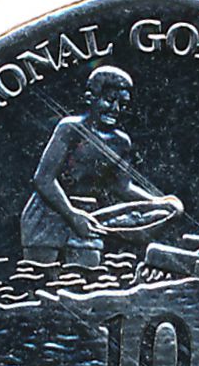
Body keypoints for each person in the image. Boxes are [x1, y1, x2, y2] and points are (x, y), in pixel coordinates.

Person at [21, 65, 180, 266]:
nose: (116, 109)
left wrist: (158, 204)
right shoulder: (70, 128)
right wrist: (71, 214)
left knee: (86, 279)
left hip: (90, 216)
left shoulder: (121, 142)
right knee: (38, 278)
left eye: (122, 104)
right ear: (90, 98)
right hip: (48, 215)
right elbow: (43, 179)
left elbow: (122, 187)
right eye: (110, 100)